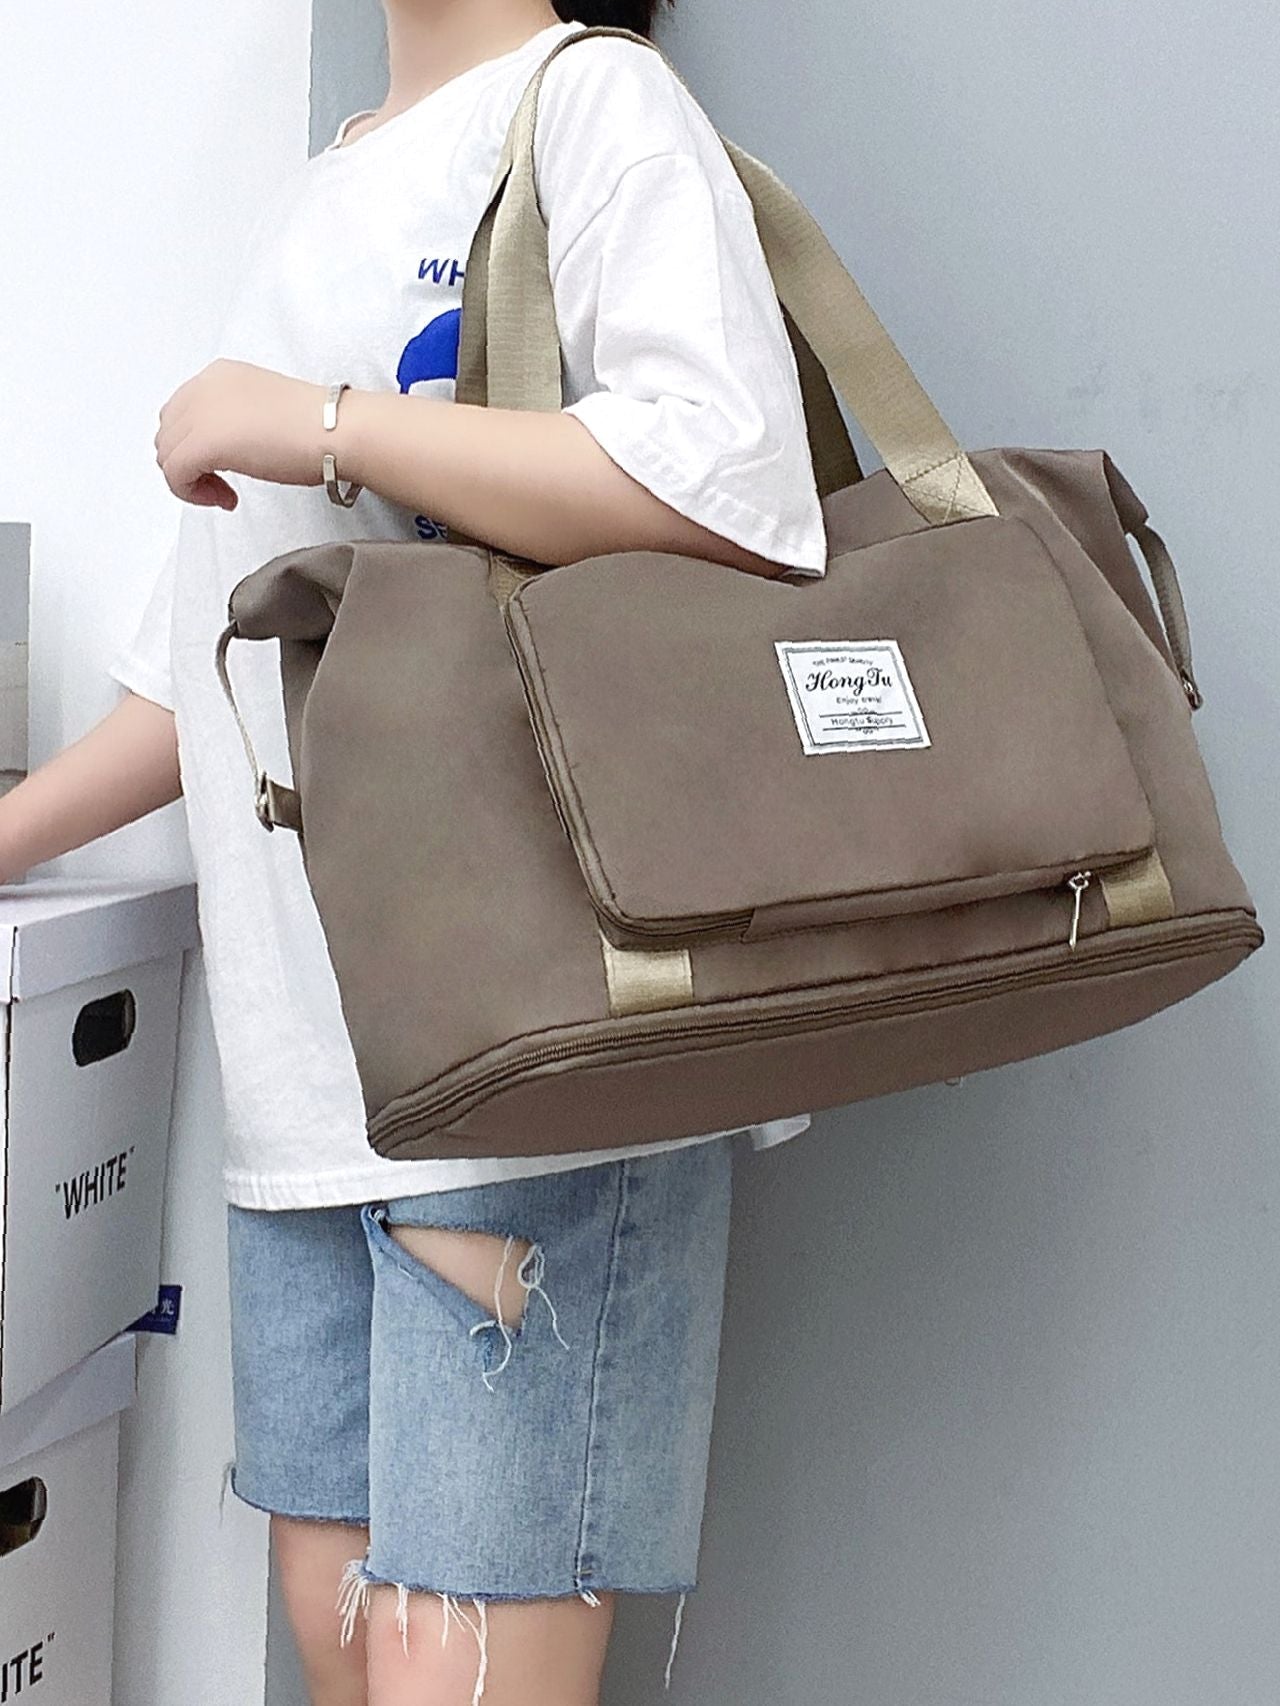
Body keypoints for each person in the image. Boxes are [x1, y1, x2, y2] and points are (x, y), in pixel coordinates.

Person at [3, 2, 829, 1701]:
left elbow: (732, 485)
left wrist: (322, 421)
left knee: (450, 1673)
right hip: (311, 1085)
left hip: (524, 1064)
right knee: (351, 1649)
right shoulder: (329, 190)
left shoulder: (591, 100)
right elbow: (201, 679)